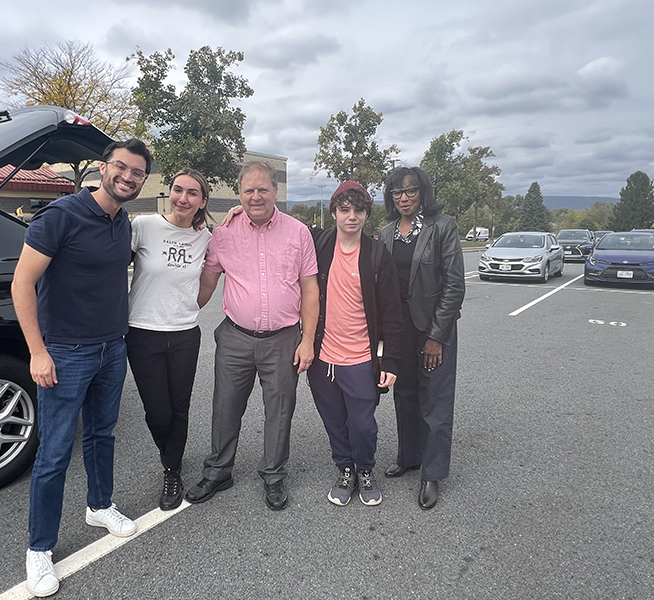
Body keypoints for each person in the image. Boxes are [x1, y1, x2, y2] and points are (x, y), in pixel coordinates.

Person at [11, 139, 153, 597]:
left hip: (112, 348)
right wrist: (38, 351)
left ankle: (99, 505)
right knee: (53, 454)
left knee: (101, 434)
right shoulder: (60, 216)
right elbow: (22, 283)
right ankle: (39, 549)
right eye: (121, 167)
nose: (127, 177)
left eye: (136, 173)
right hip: (65, 352)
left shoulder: (122, 221)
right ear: (103, 167)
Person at [185, 160, 319, 511]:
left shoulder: (298, 233)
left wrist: (308, 340)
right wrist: (176, 315)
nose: (255, 196)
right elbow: (207, 283)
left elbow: (310, 289)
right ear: (239, 193)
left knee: (279, 410)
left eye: (263, 189)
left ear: (276, 192)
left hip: (284, 339)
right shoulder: (224, 234)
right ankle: (218, 471)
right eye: (248, 190)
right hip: (235, 338)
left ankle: (274, 475)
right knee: (225, 407)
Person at [308, 181, 403, 507]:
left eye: (358, 210)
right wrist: (238, 210)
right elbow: (278, 224)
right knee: (334, 420)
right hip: (323, 359)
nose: (351, 216)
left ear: (366, 213)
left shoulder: (377, 255)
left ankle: (365, 469)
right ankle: (345, 468)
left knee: (362, 425)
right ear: (334, 211)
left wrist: (390, 360)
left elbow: (392, 312)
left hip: (362, 358)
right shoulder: (320, 244)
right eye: (344, 209)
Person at [126, 168, 212, 511]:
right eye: (178, 190)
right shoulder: (144, 226)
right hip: (142, 332)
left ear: (203, 202)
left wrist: (190, 304)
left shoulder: (206, 237)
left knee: (180, 408)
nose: (183, 198)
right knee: (157, 412)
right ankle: (170, 449)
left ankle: (171, 469)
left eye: (193, 193)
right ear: (169, 192)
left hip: (184, 333)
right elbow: (111, 264)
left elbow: (209, 280)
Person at [379, 166, 465, 510]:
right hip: (400, 332)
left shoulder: (442, 227)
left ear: (423, 193)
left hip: (433, 331)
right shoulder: (386, 233)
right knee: (405, 395)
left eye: (410, 191)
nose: (403, 198)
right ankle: (410, 456)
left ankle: (432, 472)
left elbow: (454, 285)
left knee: (436, 403)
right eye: (397, 193)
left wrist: (435, 337)